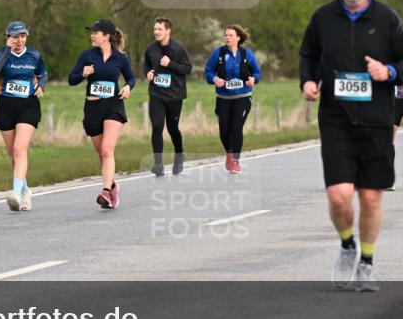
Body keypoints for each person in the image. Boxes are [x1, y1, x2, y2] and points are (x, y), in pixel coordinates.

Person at [299, 0, 403, 292]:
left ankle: (366, 262)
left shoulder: (386, 19)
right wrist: (308, 81)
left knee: (369, 198)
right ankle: (347, 245)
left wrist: (389, 72)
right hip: (336, 119)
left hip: (376, 119)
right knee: (339, 197)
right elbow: (307, 55)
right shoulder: (323, 18)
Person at [69, 19, 135, 209]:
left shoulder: (120, 58)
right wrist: (83, 73)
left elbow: (130, 77)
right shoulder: (86, 56)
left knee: (107, 149)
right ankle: (112, 186)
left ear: (106, 36)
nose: (92, 35)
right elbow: (71, 80)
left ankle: (105, 191)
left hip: (113, 106)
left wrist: (128, 87)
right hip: (92, 108)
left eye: (95, 32)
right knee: (101, 153)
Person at [0, 21, 48, 211]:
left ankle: (15, 192)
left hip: (28, 105)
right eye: (15, 37)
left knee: (20, 149)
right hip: (5, 105)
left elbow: (43, 74)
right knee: (13, 153)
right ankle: (25, 191)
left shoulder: (35, 55)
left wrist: (41, 86)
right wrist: (6, 52)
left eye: (22, 36)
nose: (19, 40)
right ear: (8, 38)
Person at [204, 24, 261, 174]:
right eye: (226, 35)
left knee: (236, 128)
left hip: (242, 96)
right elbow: (208, 71)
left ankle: (235, 160)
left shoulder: (246, 54)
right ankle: (229, 152)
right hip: (223, 97)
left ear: (238, 38)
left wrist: (253, 79)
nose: (227, 38)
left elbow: (257, 72)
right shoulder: (219, 53)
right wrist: (215, 79)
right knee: (224, 131)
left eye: (230, 35)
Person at [143, 17, 192, 176]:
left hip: (174, 96)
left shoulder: (178, 49)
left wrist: (170, 64)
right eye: (155, 29)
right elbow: (146, 66)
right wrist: (147, 73)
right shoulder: (150, 49)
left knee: (172, 129)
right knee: (157, 126)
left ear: (168, 30)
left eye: (159, 29)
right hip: (156, 94)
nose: (156, 32)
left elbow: (188, 69)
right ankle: (158, 165)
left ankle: (179, 156)